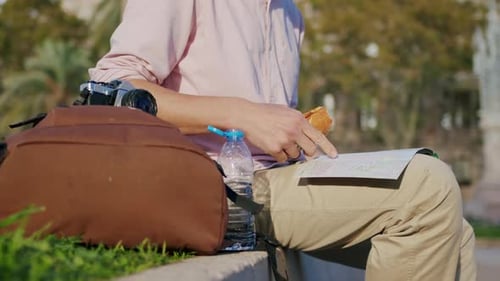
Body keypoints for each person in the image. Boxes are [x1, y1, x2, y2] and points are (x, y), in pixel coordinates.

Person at [89, 1, 477, 280]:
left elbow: (267, 127)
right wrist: (239, 113)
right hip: (208, 186)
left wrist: (291, 130)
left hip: (271, 182)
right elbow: (110, 89)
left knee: (455, 231)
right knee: (426, 186)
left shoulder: (289, 13)